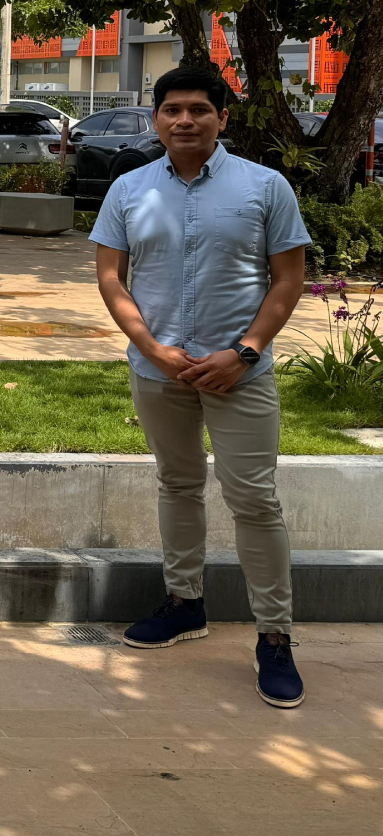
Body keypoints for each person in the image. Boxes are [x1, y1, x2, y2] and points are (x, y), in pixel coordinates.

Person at [90, 63, 310, 708]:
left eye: (198, 110)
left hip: (239, 371)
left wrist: (244, 352)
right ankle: (185, 604)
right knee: (178, 484)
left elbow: (287, 279)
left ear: (221, 117)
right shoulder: (128, 189)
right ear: (156, 117)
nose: (184, 120)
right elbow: (111, 278)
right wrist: (153, 349)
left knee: (254, 499)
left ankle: (275, 638)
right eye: (172, 110)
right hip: (158, 370)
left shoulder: (264, 187)